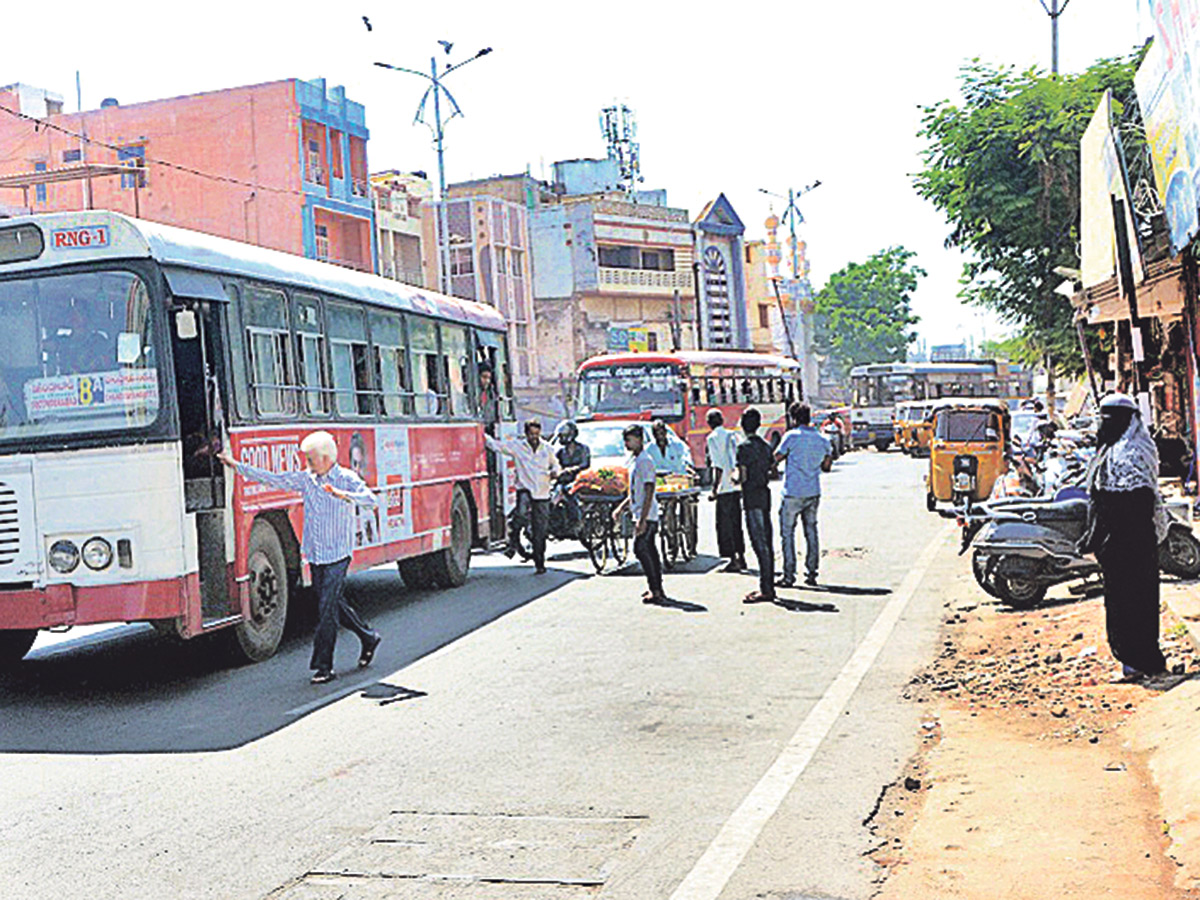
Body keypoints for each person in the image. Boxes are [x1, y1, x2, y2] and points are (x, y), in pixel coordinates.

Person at [217, 431, 381, 685]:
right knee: (332, 602)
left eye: (311, 459)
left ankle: (323, 666)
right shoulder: (307, 479)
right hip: (316, 555)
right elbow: (275, 479)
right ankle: (367, 636)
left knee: (326, 608)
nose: (307, 464)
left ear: (326, 458)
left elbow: (371, 500)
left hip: (338, 554)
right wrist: (236, 465)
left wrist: (344, 495)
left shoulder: (346, 478)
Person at [1081, 393, 1168, 683]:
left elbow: (1137, 501)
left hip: (1134, 541)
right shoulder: (1107, 450)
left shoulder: (1135, 452)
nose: (1105, 424)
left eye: (1111, 418)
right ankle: (1130, 660)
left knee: (1137, 601)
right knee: (1119, 603)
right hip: (1115, 545)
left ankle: (1142, 660)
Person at [486, 419, 560, 574]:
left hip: (542, 492)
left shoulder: (547, 449)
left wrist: (555, 472)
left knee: (540, 530)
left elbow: (556, 465)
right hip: (525, 489)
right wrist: (481, 434)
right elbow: (497, 446)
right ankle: (512, 543)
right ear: (526, 434)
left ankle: (540, 562)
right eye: (531, 434)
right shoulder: (518, 447)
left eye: (536, 434)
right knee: (519, 514)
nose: (534, 437)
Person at [775, 402, 832, 587]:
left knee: (788, 534)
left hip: (792, 492)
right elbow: (827, 466)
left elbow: (776, 457)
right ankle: (812, 573)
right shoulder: (823, 439)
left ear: (793, 419)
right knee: (811, 531)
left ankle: (789, 575)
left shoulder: (790, 437)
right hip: (813, 492)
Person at [613, 423, 665, 604]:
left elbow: (650, 489)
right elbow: (636, 492)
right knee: (649, 550)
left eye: (629, 440)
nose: (626, 444)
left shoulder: (645, 461)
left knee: (641, 549)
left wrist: (642, 520)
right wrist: (622, 507)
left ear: (639, 440)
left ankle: (656, 589)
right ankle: (656, 588)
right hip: (641, 513)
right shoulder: (635, 461)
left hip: (648, 515)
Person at [737, 408, 777, 603]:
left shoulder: (743, 448)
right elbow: (774, 471)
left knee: (759, 544)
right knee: (767, 543)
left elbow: (742, 476)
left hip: (751, 498)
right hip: (764, 495)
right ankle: (768, 586)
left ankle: (766, 589)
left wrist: (736, 478)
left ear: (743, 426)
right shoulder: (766, 446)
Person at [706, 409, 747, 573]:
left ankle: (732, 559)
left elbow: (718, 466)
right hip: (735, 486)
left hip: (724, 488)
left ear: (709, 423)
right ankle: (741, 557)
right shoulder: (732, 435)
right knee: (736, 523)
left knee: (724, 525)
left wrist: (714, 489)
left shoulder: (712, 438)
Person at [555, 420, 591, 532]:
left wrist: (573, 469)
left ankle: (576, 521)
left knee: (570, 493)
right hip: (563, 481)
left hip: (578, 480)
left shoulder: (583, 449)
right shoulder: (560, 452)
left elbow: (585, 464)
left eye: (564, 435)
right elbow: (555, 464)